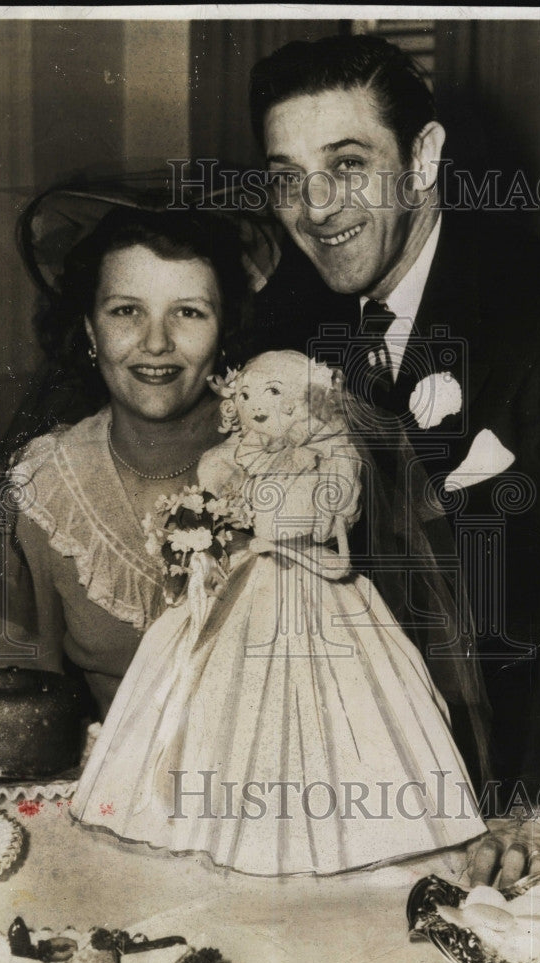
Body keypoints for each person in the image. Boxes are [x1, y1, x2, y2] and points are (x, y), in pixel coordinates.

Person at [246, 34, 540, 875]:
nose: (315, 206)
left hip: (517, 791)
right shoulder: (284, 313)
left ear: (424, 157)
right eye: (287, 175)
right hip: (348, 778)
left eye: (349, 162)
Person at [71, 350, 489, 876]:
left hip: (318, 588)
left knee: (338, 712)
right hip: (248, 583)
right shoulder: (227, 457)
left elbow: (315, 517)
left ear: (306, 399)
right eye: (245, 394)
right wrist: (203, 527)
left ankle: (346, 834)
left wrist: (276, 502)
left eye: (273, 393)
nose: (255, 406)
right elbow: (227, 514)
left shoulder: (334, 454)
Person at [0, 205, 254, 719]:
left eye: (189, 312)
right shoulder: (47, 484)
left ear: (224, 332)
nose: (156, 343)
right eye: (126, 310)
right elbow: (21, 695)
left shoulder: (277, 463)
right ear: (90, 330)